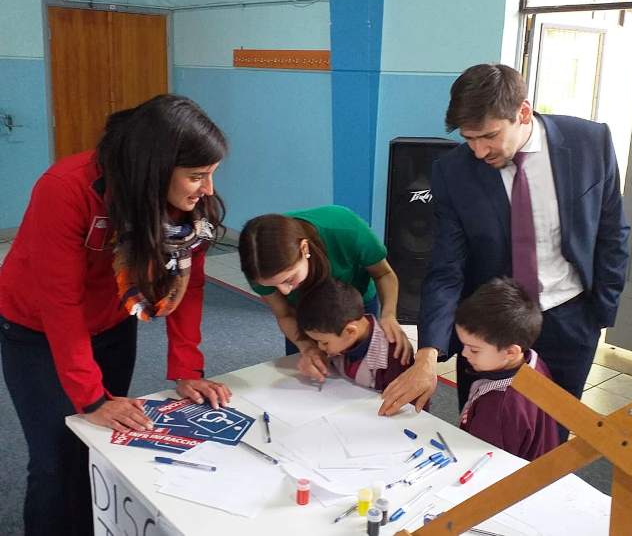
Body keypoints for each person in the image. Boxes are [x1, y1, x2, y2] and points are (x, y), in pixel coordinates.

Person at [0, 94, 232, 536]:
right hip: (36, 331)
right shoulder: (66, 187)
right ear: (155, 168)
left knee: (97, 443)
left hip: (111, 321)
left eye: (212, 174)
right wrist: (90, 396)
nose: (208, 190)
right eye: (198, 176)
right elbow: (59, 303)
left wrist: (186, 368)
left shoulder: (183, 201)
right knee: (54, 458)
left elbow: (189, 282)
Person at [379, 63, 630, 435]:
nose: (479, 151)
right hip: (489, 328)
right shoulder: (453, 172)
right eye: (469, 139)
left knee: (553, 434)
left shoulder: (589, 142)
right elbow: (447, 268)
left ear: (523, 112)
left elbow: (612, 232)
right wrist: (428, 354)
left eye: (490, 136)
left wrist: (600, 312)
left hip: (570, 321)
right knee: (483, 431)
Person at [238, 205, 412, 382]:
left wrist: (389, 315)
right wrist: (306, 347)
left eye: (288, 279)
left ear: (304, 249)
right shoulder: (258, 266)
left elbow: (383, 274)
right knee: (309, 375)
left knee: (366, 371)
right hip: (304, 318)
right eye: (274, 286)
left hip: (352, 307)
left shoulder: (346, 230)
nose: (284, 291)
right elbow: (284, 313)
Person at [455, 277, 559, 460]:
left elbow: (480, 461)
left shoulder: (499, 405)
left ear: (510, 352)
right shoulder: (532, 362)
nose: (464, 353)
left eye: (474, 349)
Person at [296, 278, 413, 391]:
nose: (320, 347)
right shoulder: (337, 334)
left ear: (350, 331)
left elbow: (406, 406)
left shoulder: (393, 356)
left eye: (324, 343)